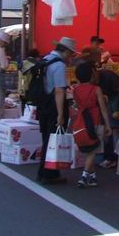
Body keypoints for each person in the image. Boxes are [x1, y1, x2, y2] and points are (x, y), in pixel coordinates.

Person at [37, 36, 77, 185]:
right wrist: (61, 114)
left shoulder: (46, 59)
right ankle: (50, 174)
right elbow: (59, 91)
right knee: (53, 139)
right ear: (66, 51)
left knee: (47, 139)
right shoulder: (59, 65)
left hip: (43, 104)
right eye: (71, 54)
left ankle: (43, 172)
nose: (71, 57)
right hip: (54, 106)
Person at [72, 63, 111, 187]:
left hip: (81, 121)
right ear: (91, 75)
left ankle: (92, 177)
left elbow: (77, 105)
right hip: (95, 120)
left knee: (89, 149)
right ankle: (84, 176)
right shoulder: (96, 89)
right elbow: (103, 108)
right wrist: (108, 124)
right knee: (93, 150)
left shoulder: (75, 90)